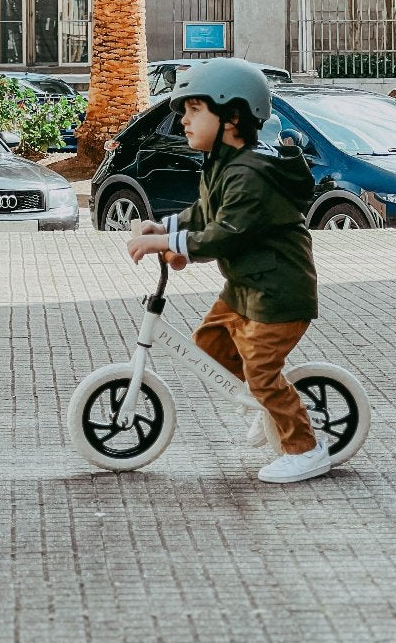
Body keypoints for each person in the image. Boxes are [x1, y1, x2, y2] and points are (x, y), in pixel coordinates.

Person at [126, 59, 327, 484]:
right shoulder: (221, 165)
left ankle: (305, 448)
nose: (182, 120)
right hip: (245, 287)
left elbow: (223, 234)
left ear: (233, 117)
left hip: (277, 291)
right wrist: (168, 227)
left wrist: (164, 244)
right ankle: (266, 404)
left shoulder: (250, 174)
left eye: (194, 109)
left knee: (261, 370)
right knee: (210, 344)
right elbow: (205, 212)